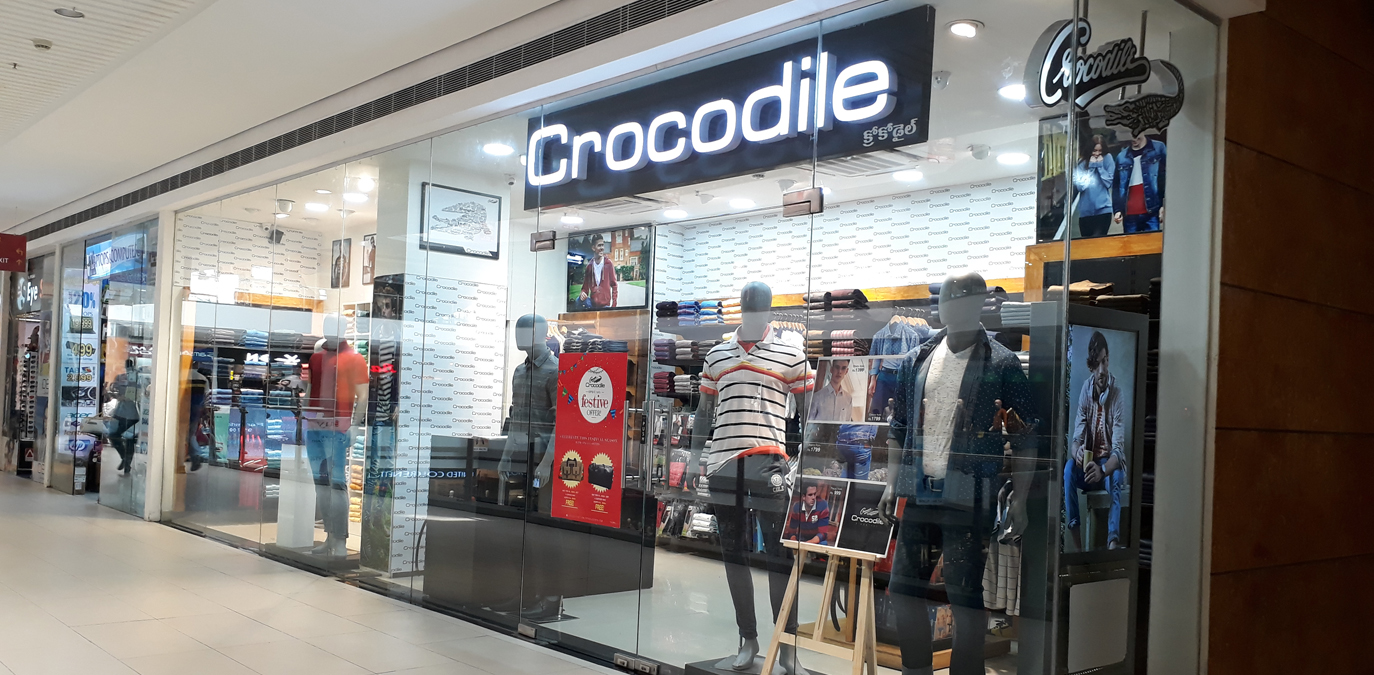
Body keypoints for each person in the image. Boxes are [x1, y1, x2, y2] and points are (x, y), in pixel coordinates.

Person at [1065, 331, 1127, 551]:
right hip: (1089, 467)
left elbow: (1119, 451)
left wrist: (1103, 470)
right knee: (1068, 469)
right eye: (1098, 363)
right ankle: (1078, 549)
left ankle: (1112, 542)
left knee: (1117, 477)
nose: (1102, 369)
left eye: (1105, 361)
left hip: (1107, 467)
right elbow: (1075, 439)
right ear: (1091, 366)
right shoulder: (1085, 390)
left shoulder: (1117, 393)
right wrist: (1078, 453)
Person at [1113, 133, 1167, 233]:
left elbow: (1166, 177)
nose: (1134, 140)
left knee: (1153, 242)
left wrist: (1164, 204)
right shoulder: (1121, 156)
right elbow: (1116, 185)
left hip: (1152, 210)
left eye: (1137, 137)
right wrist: (1117, 210)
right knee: (1132, 242)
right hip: (1130, 213)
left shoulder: (1158, 148)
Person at [1073, 134, 1116, 238]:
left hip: (1103, 210)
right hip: (1086, 212)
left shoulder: (1108, 159)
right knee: (1087, 243)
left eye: (1100, 151)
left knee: (1099, 240)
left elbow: (1108, 183)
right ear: (1089, 149)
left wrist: (1100, 167)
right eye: (1094, 150)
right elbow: (1081, 186)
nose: (1097, 154)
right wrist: (1092, 167)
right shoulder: (1082, 162)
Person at [108, 359, 140, 475]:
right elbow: (113, 390)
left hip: (133, 412)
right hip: (120, 411)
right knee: (113, 435)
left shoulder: (139, 378)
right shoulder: (120, 377)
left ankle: (127, 464)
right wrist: (117, 396)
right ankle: (124, 458)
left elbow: (142, 394)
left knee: (129, 439)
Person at [578, 233, 618, 309]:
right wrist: (583, 293)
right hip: (593, 306)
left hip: (605, 306)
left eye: (603, 245)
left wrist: (614, 305)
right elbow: (585, 288)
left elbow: (614, 285)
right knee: (578, 300)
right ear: (593, 248)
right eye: (599, 245)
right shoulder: (589, 267)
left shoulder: (608, 264)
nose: (602, 248)